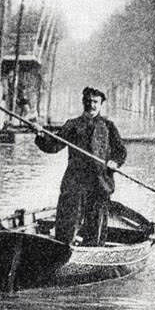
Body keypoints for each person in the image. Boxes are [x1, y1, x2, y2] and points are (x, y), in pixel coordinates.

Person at [35, 86, 127, 246]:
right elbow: (54, 146)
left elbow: (120, 151)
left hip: (100, 183)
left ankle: (93, 253)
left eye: (95, 102)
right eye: (88, 101)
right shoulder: (72, 125)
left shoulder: (108, 126)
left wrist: (114, 162)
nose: (91, 105)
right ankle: (62, 251)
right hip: (75, 182)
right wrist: (41, 135)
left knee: (96, 225)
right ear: (83, 102)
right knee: (67, 222)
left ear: (101, 104)